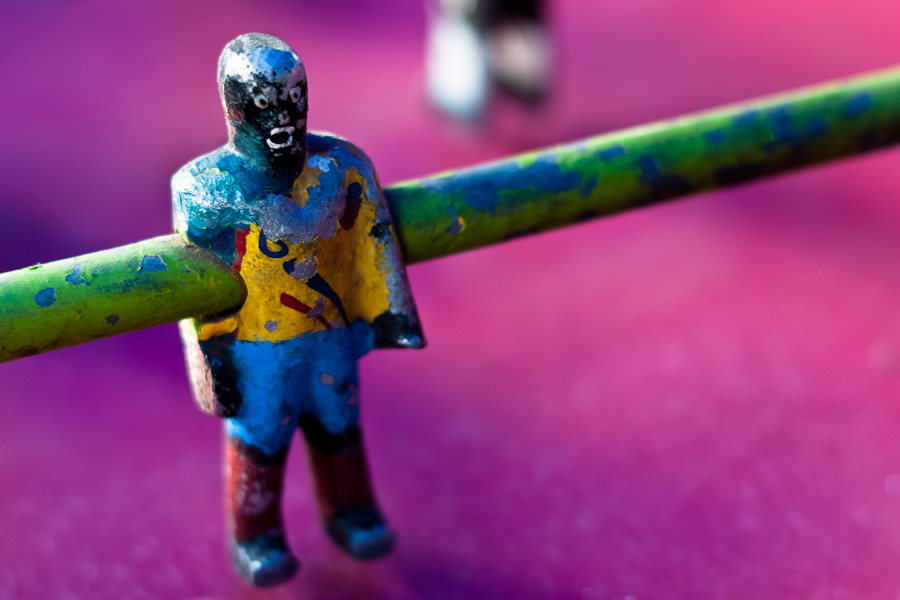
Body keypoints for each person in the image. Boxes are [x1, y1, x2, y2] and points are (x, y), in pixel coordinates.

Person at [171, 33, 424, 587]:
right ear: (235, 108)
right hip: (258, 347)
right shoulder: (206, 190)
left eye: (292, 100)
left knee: (340, 422)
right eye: (264, 105)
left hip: (328, 334)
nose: (283, 119)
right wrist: (210, 360)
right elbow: (197, 292)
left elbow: (374, 235)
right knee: (260, 435)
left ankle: (350, 512)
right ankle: (255, 534)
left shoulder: (341, 165)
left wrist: (388, 315)